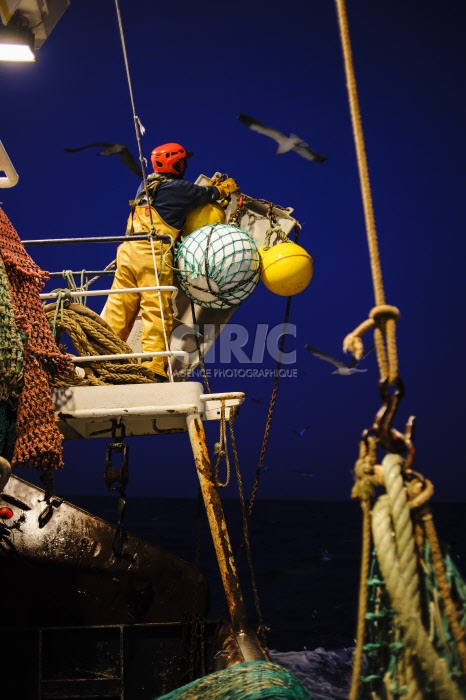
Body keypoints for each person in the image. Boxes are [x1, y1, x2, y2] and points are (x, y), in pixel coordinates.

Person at [102, 142, 239, 382]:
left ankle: (102, 357)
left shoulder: (145, 186)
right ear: (175, 164)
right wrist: (222, 190)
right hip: (152, 254)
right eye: (182, 161)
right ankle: (153, 364)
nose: (185, 165)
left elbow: (185, 196)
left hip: (126, 252)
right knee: (155, 309)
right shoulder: (178, 188)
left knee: (119, 306)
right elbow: (206, 195)